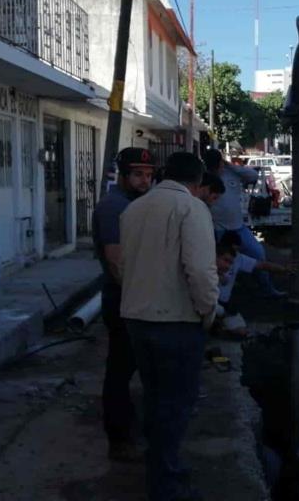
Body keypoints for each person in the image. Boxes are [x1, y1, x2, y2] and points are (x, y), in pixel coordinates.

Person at [119, 152, 218, 501]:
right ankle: (167, 484)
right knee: (175, 405)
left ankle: (158, 469)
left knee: (155, 398)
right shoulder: (191, 209)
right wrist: (209, 313)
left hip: (136, 318)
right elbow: (202, 272)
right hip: (175, 322)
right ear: (198, 181)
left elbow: (125, 265)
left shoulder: (135, 209)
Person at [91, 147, 154, 461]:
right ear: (123, 174)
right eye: (138, 174)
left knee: (132, 367)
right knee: (120, 369)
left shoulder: (136, 204)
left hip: (136, 297)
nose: (144, 180)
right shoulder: (114, 206)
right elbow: (117, 264)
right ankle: (118, 438)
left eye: (148, 174)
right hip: (124, 299)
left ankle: (130, 427)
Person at [203, 149, 284, 298]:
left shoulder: (231, 172)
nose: (217, 170)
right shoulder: (205, 178)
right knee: (219, 262)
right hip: (217, 229)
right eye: (213, 168)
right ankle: (220, 295)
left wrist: (230, 165)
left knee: (258, 253)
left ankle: (267, 289)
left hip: (238, 227)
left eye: (219, 166)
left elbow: (253, 175)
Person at [214, 236, 293, 338]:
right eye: (226, 260)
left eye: (230, 262)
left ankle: (218, 328)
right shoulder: (204, 266)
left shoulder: (238, 258)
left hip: (225, 303)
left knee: (241, 331)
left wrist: (283, 270)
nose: (228, 266)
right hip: (208, 302)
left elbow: (262, 265)